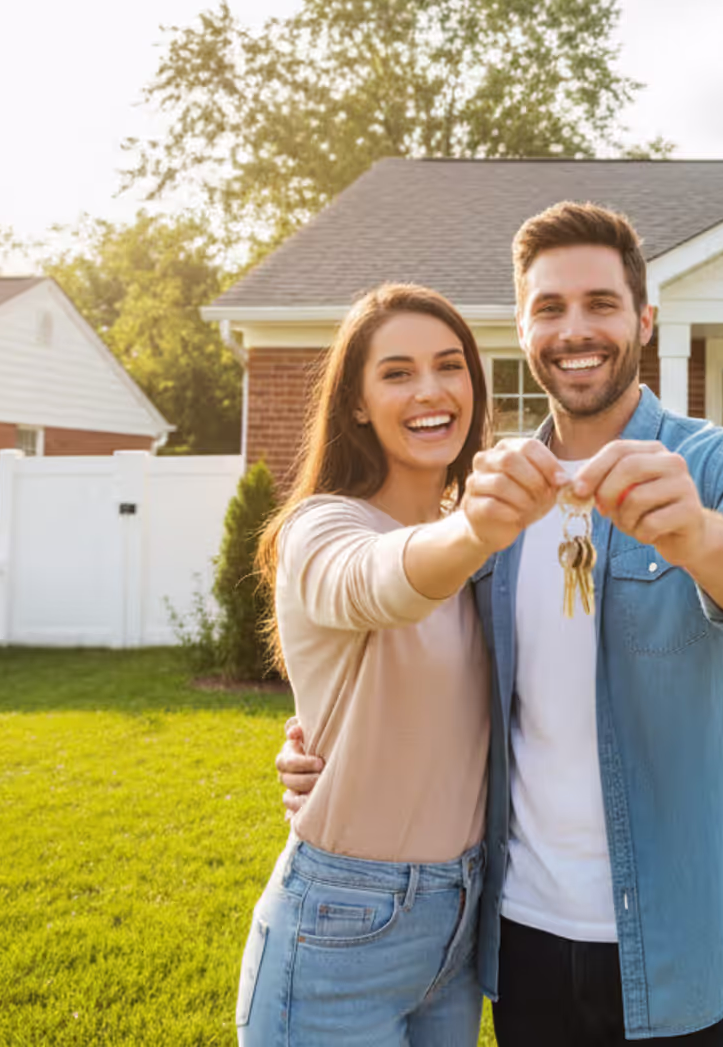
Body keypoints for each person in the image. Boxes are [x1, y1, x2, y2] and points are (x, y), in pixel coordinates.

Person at [277, 202, 723, 1044]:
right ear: (523, 329)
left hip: (697, 944)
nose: (576, 330)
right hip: (523, 946)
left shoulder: (718, 466)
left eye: (601, 305)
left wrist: (698, 535)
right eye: (550, 309)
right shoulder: (489, 500)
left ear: (645, 320)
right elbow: (414, 648)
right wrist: (325, 744)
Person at [238, 283, 567, 1047]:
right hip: (340, 929)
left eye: (449, 365)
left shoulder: (483, 550)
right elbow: (378, 582)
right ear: (355, 403)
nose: (430, 391)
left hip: (461, 929)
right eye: (396, 372)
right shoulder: (321, 527)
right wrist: (479, 528)